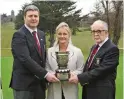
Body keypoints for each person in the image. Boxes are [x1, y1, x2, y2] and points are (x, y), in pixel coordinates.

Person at [9, 5, 59, 99]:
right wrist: (46, 74)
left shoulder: (41, 34)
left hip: (39, 85)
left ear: (39, 17)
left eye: (36, 16)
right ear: (24, 17)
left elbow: (42, 58)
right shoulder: (19, 35)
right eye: (30, 16)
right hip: (24, 86)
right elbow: (25, 59)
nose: (33, 18)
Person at [69, 20, 119, 99]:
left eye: (99, 31)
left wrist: (80, 77)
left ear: (106, 32)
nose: (96, 34)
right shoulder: (94, 47)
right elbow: (89, 67)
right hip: (89, 91)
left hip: (102, 93)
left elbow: (101, 70)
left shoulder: (112, 49)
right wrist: (75, 74)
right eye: (93, 31)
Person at [45, 22, 84, 99]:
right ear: (56, 35)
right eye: (59, 34)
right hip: (54, 89)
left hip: (70, 89)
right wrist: (54, 75)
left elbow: (81, 69)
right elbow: (46, 68)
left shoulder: (77, 51)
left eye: (65, 34)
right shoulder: (49, 51)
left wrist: (70, 74)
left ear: (69, 35)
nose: (62, 36)